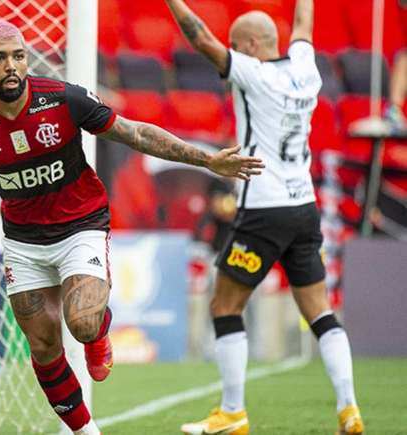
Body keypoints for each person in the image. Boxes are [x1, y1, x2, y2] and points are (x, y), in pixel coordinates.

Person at [0, 20, 263, 434]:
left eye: (18, 55)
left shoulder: (61, 99)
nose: (12, 66)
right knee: (43, 345)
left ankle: (98, 335)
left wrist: (206, 160)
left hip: (80, 226)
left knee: (82, 322)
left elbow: (134, 133)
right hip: (23, 240)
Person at [165, 0, 365, 433]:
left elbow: (200, 38)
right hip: (303, 207)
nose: (231, 54)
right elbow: (305, 22)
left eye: (236, 46)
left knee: (224, 305)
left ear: (252, 46)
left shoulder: (252, 73)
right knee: (319, 311)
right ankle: (349, 407)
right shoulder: (306, 65)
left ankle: (233, 412)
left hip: (263, 210)